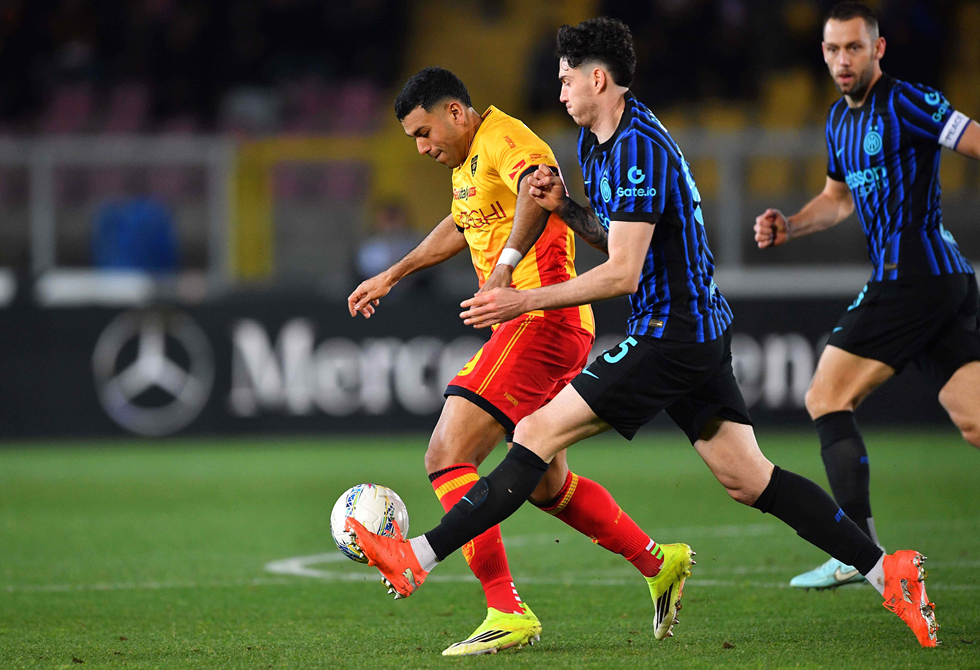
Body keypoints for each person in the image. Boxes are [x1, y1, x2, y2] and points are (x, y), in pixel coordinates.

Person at [348, 17, 940, 649]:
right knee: (748, 478)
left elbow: (623, 273)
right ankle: (886, 571)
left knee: (535, 433)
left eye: (567, 80)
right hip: (693, 329)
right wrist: (566, 209)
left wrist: (523, 296)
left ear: (598, 79)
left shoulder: (637, 148)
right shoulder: (599, 145)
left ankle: (419, 554)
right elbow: (616, 238)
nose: (559, 92)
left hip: (669, 330)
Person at [347, 66, 677, 656]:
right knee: (548, 485)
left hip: (539, 318)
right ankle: (657, 561)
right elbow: (462, 222)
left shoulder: (506, 139)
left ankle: (505, 608)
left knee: (447, 455)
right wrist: (393, 274)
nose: (422, 148)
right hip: (544, 324)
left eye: (424, 133)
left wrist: (504, 268)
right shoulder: (467, 162)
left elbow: (538, 188)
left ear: (455, 112)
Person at [753, 2, 980, 591]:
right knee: (974, 421)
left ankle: (860, 554)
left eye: (854, 47)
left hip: (914, 277)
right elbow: (837, 200)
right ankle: (861, 553)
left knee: (825, 396)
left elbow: (973, 139)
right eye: (833, 49)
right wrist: (791, 225)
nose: (842, 60)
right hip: (940, 283)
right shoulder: (838, 120)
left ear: (877, 49)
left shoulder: (908, 101)